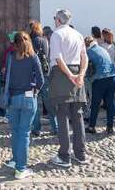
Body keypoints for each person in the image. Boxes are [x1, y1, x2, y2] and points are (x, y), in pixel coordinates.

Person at [48, 9, 88, 168]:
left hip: (62, 74)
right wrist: (81, 75)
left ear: (58, 20)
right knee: (77, 116)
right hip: (77, 73)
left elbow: (58, 58)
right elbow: (84, 57)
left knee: (62, 115)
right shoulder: (78, 34)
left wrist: (70, 75)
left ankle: (64, 156)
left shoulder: (56, 34)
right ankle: (81, 154)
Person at [3, 31, 44, 179]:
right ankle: (21, 168)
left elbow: (6, 76)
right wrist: (35, 91)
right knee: (24, 133)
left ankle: (15, 161)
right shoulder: (33, 57)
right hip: (28, 98)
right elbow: (41, 81)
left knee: (15, 131)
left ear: (15, 43)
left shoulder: (10, 58)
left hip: (14, 98)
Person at [84, 36, 115, 134]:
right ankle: (110, 127)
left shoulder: (89, 52)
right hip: (113, 76)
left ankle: (91, 127)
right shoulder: (102, 49)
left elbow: (85, 66)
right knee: (109, 102)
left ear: (87, 44)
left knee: (95, 103)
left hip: (100, 79)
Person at [29, 20, 54, 137]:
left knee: (33, 102)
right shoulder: (45, 40)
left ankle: (36, 128)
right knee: (49, 102)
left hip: (32, 77)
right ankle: (55, 127)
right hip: (45, 74)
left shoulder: (29, 41)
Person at [99, 28, 115, 119]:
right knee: (110, 94)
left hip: (108, 71)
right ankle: (113, 112)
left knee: (110, 96)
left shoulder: (103, 46)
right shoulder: (113, 45)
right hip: (114, 70)